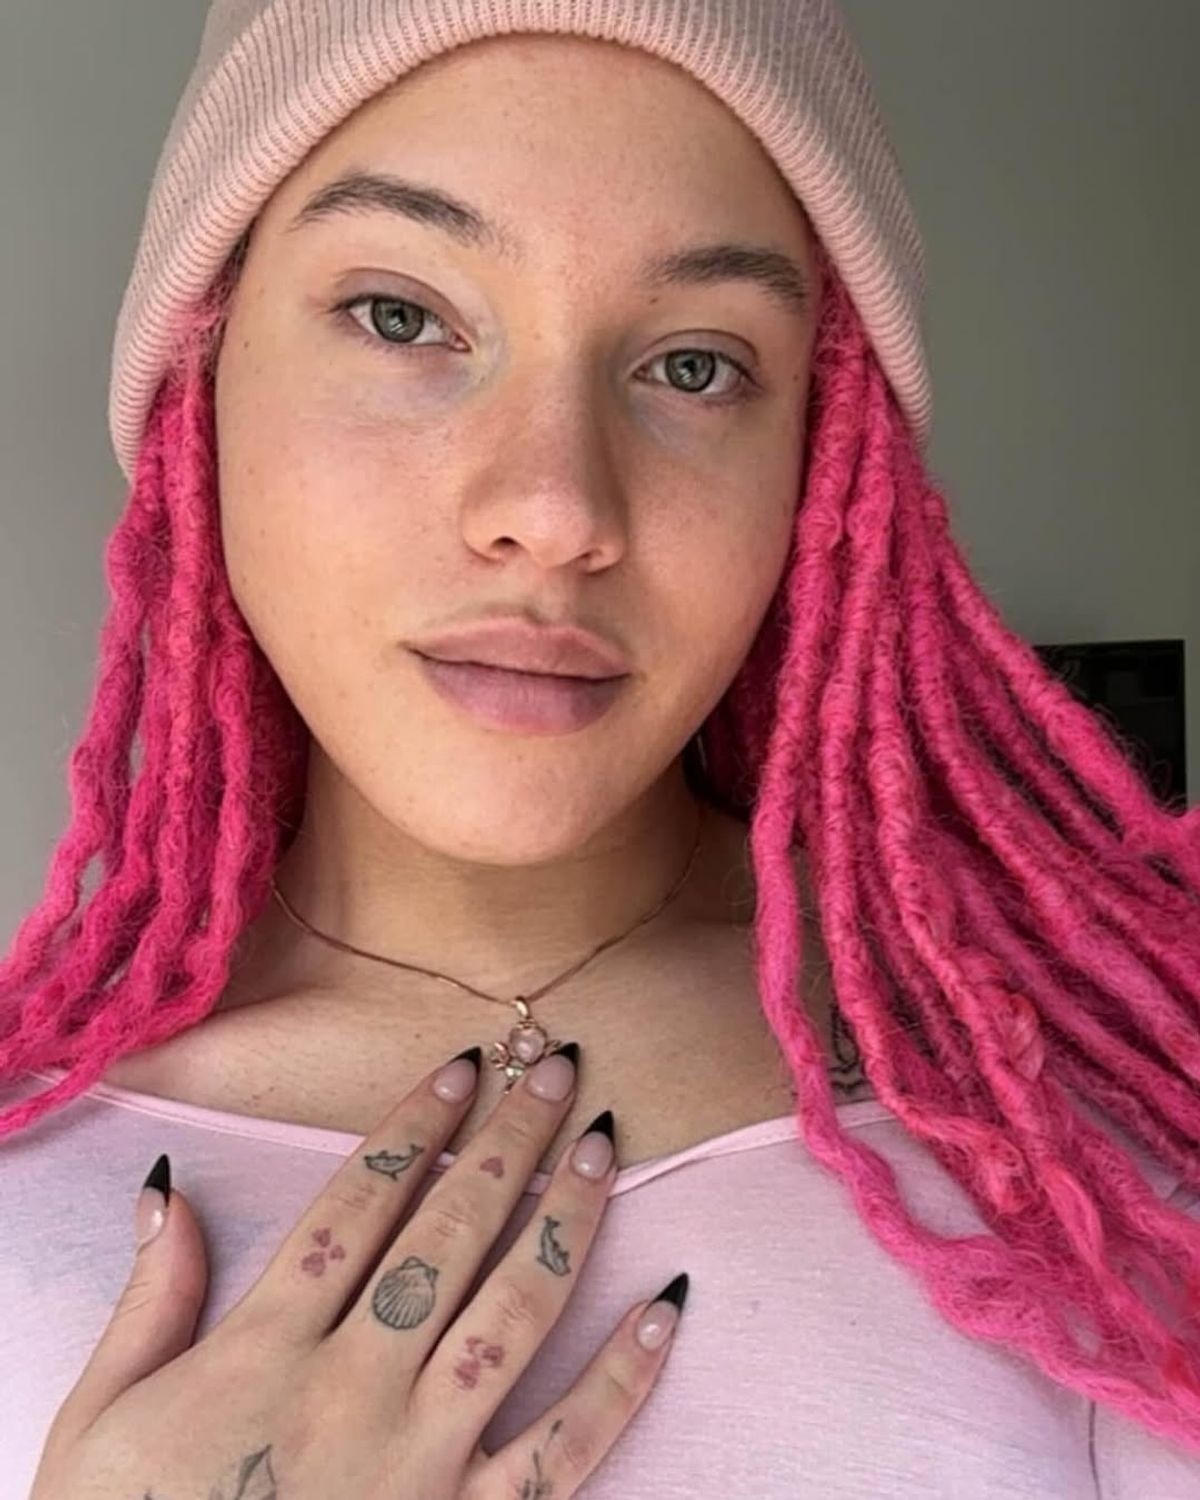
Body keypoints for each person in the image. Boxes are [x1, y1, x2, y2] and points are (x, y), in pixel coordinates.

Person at [3, 1, 1200, 1495]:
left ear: (826, 464)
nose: (558, 508)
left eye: (695, 365)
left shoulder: (1103, 1144)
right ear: (200, 377)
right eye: (401, 316)